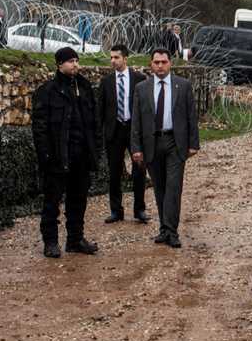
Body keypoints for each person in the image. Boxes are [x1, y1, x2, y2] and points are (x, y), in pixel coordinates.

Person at [32, 47, 100, 259]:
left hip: (81, 155)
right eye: (70, 61)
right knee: (52, 201)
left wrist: (96, 148)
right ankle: (50, 242)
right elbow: (40, 127)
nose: (75, 65)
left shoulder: (85, 87)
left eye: (77, 60)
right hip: (58, 157)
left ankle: (75, 239)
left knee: (78, 199)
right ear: (59, 64)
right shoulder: (48, 91)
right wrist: (46, 155)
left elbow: (94, 120)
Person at [130, 48, 199, 248]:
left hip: (175, 143)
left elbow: (191, 116)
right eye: (156, 62)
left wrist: (194, 143)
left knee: (173, 188)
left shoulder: (183, 86)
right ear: (151, 64)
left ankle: (172, 231)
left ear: (170, 63)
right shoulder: (142, 88)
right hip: (152, 143)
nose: (160, 66)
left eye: (164, 62)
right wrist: (136, 148)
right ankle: (163, 228)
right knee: (160, 188)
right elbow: (136, 120)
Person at [99, 45, 148, 224]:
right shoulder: (106, 82)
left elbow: (145, 108)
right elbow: (101, 110)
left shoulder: (139, 79)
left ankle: (139, 209)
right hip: (114, 130)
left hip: (134, 130)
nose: (113, 61)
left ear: (125, 58)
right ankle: (116, 210)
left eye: (116, 57)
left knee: (139, 170)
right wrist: (101, 133)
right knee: (114, 172)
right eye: (111, 57)